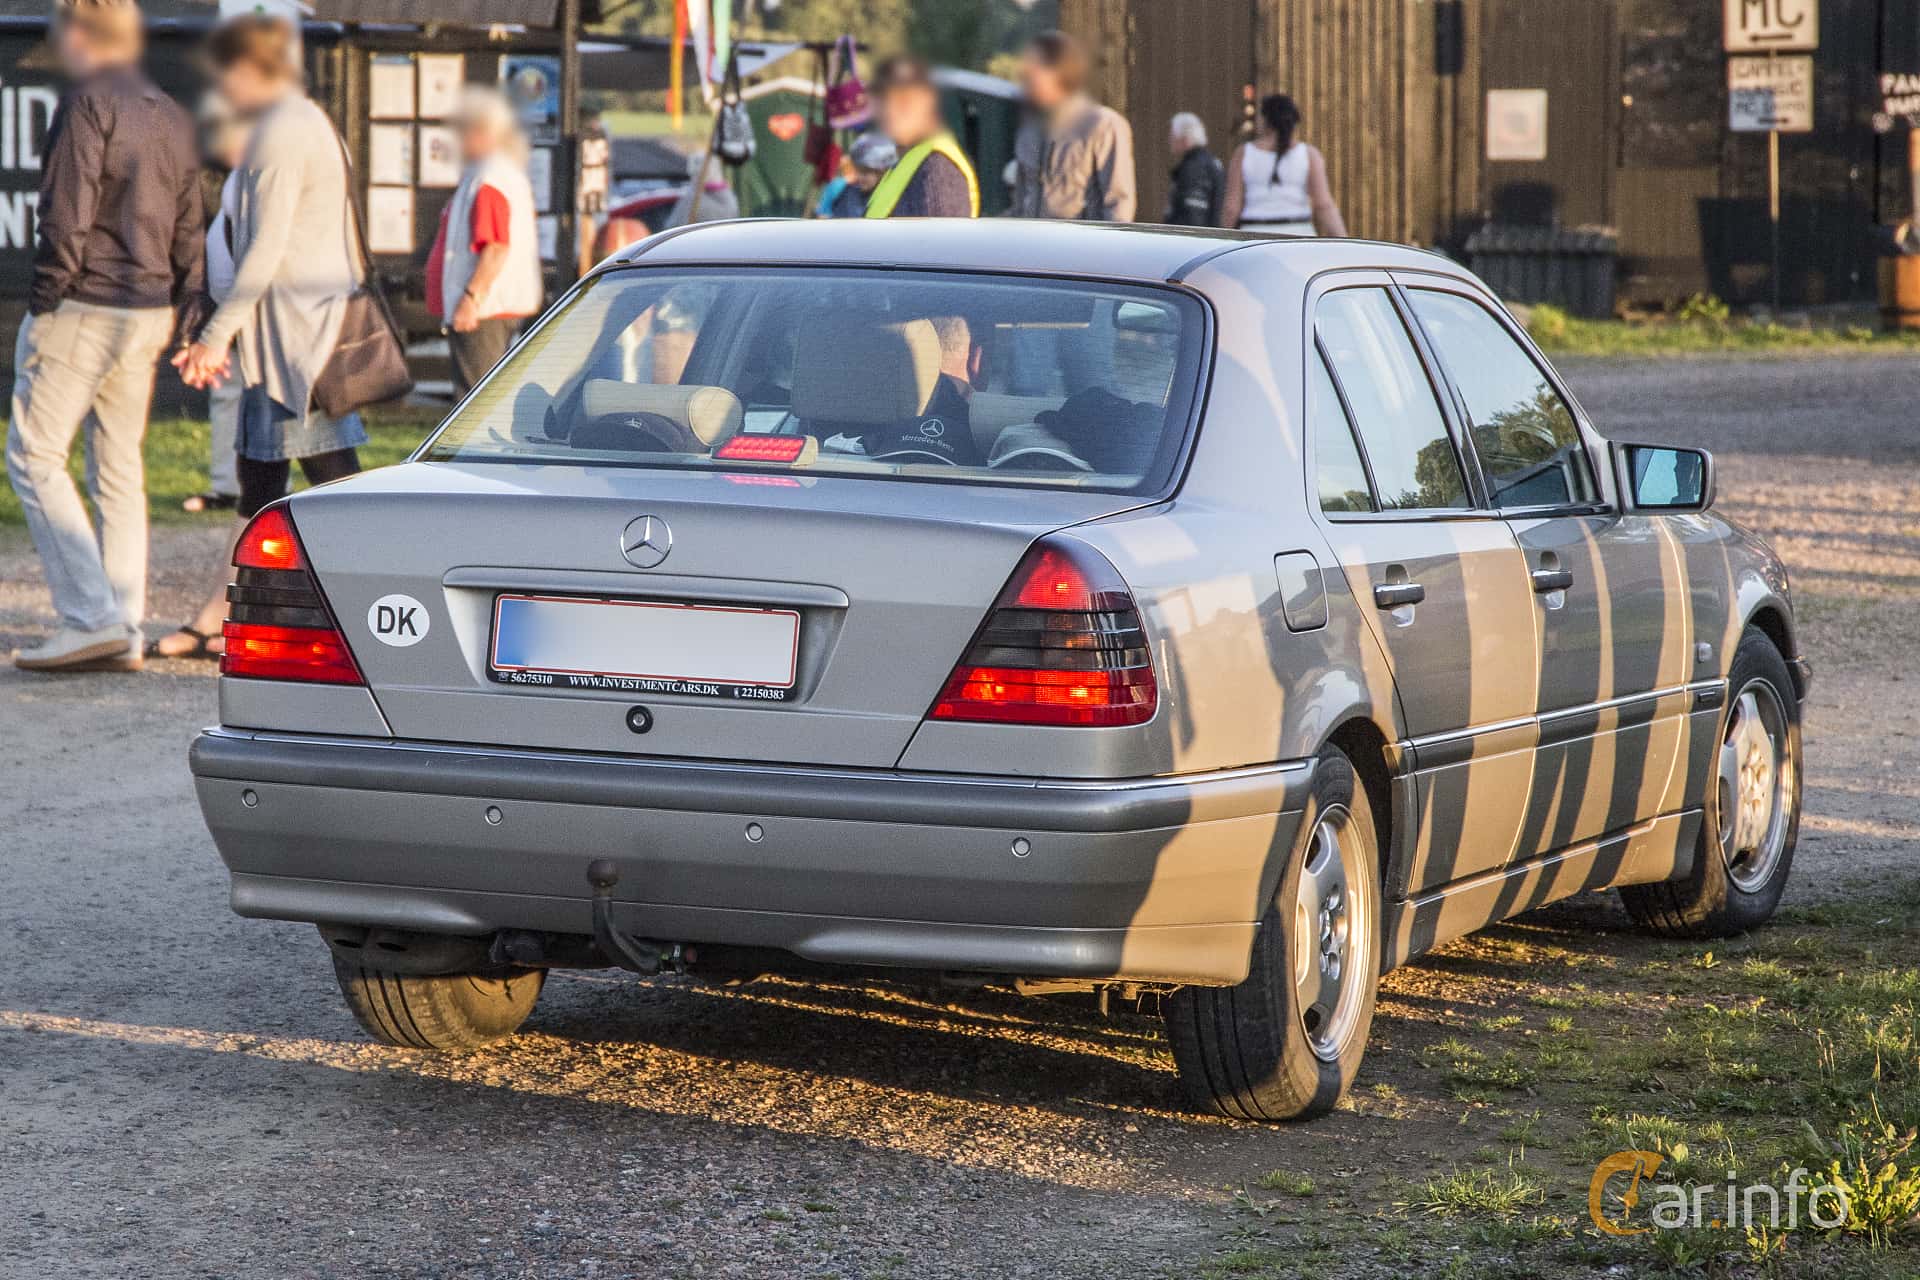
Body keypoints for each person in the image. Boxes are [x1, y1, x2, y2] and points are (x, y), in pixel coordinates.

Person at [158, 14, 365, 660]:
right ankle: (231, 613)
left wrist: (216, 337)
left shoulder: (282, 131)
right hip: (294, 339)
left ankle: (353, 617)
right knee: (278, 482)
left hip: (295, 347)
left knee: (316, 485)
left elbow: (264, 250)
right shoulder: (304, 122)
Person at [7, 0, 203, 673]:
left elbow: (65, 217)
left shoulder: (89, 103)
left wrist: (44, 301)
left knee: (34, 456)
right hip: (148, 308)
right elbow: (189, 226)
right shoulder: (168, 111)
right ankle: (123, 623)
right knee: (119, 468)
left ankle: (92, 618)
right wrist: (186, 304)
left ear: (80, 34)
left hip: (85, 304)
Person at [426, 87, 541, 399]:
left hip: (484, 311)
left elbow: (495, 247)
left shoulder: (489, 178)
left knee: (474, 399)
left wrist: (470, 298)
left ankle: (473, 450)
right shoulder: (499, 173)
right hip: (491, 307)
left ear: (479, 132)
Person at [180, 92, 248, 515]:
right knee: (228, 396)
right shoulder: (212, 178)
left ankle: (256, 488)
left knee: (276, 404)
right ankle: (228, 485)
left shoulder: (258, 175)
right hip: (226, 304)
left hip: (256, 306)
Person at [1011, 31, 1135, 222]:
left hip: (1084, 249)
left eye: (1034, 68)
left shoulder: (1103, 125)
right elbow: (1020, 203)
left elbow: (1119, 205)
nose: (1026, 75)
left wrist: (1108, 250)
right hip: (1033, 248)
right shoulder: (1029, 131)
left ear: (1058, 71)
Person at [864, 56, 978, 219]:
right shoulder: (910, 159)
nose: (891, 111)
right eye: (886, 101)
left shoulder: (938, 167)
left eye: (904, 102)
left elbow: (936, 242)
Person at [1222, 93, 1347, 238]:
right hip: (1298, 232)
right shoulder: (1309, 154)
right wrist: (1343, 239)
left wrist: (1221, 240)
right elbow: (1323, 205)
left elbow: (1232, 207)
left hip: (1254, 233)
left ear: (1264, 120)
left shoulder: (1244, 153)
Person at [1165, 111, 1224, 227]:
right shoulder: (1213, 162)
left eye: (1172, 135)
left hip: (1195, 239)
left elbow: (1193, 212)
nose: (1169, 140)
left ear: (1185, 138)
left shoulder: (1193, 168)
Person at [819, 133, 895, 218]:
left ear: (883, 172)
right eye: (858, 170)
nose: (859, 177)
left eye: (866, 172)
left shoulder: (892, 197)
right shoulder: (845, 191)